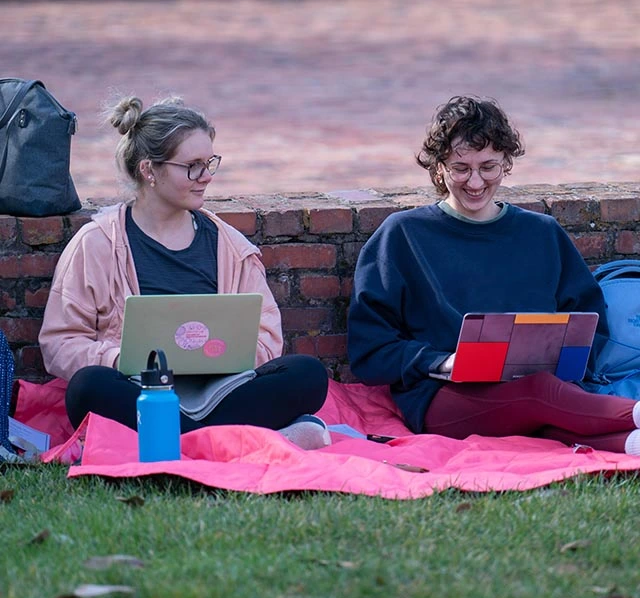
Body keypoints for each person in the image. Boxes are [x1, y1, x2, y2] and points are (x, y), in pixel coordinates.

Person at [347, 95, 640, 456]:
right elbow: (368, 350)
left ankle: (629, 444)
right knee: (538, 393)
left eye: (488, 167)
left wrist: (567, 360)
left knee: (543, 402)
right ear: (438, 167)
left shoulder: (543, 233)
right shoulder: (402, 235)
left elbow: (591, 322)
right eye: (460, 168)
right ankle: (633, 415)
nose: (474, 182)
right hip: (444, 397)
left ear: (507, 164)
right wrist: (440, 361)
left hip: (546, 387)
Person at [38, 95, 330, 450]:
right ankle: (240, 442)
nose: (206, 177)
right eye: (192, 166)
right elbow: (60, 343)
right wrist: (120, 359)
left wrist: (228, 356)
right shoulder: (97, 243)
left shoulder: (228, 244)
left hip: (222, 390)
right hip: (140, 389)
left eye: (210, 163)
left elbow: (267, 335)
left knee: (308, 375)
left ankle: (179, 441)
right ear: (149, 170)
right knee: (87, 387)